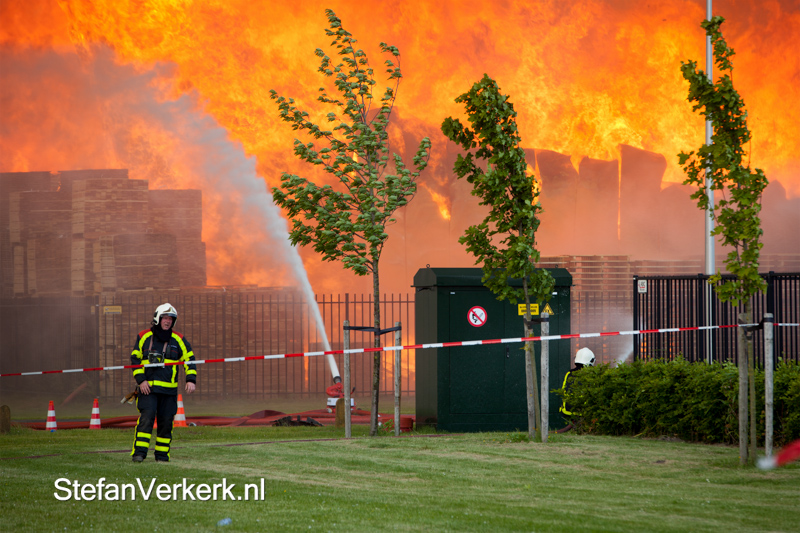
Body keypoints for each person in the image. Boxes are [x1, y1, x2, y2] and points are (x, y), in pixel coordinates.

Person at [130, 303, 196, 462]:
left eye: (171, 319)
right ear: (157, 319)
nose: (168, 321)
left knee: (166, 423)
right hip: (148, 389)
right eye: (165, 318)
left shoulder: (178, 339)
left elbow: (189, 359)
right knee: (147, 419)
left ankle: (162, 456)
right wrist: (141, 381)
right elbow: (135, 359)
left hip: (169, 391)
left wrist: (191, 380)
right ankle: (139, 454)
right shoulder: (144, 336)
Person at [558, 347, 595, 432]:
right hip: (583, 412)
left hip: (566, 411)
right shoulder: (590, 375)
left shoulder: (569, 373)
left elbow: (563, 390)